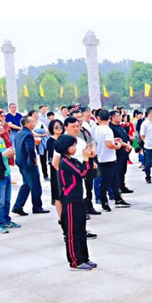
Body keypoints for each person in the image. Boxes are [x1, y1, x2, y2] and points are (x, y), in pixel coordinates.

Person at [56, 134, 96, 271]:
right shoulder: (64, 162)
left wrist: (89, 158)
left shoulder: (73, 160)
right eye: (72, 145)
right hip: (70, 200)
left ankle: (84, 257)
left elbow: (87, 171)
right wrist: (85, 159)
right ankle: (75, 261)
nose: (75, 148)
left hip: (79, 198)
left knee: (81, 230)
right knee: (72, 232)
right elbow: (82, 173)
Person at [94, 110, 130, 212]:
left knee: (114, 180)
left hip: (103, 157)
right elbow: (109, 144)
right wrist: (117, 145)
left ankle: (118, 199)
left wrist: (114, 141)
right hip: (107, 158)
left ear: (99, 118)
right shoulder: (107, 130)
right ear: (109, 118)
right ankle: (104, 202)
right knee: (105, 182)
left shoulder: (97, 129)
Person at [12, 116, 49, 216]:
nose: (34, 123)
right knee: (35, 185)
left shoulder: (19, 133)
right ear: (26, 123)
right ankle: (37, 206)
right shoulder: (28, 134)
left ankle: (18, 206)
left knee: (27, 185)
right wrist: (34, 159)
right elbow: (30, 149)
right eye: (32, 122)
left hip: (21, 162)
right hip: (28, 163)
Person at [0, 119, 20, 233]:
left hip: (6, 172)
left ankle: (6, 219)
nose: (1, 127)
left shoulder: (1, 139)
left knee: (7, 200)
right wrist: (3, 154)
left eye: (2, 125)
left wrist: (9, 154)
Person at [109, 110, 133, 194]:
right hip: (118, 153)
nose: (119, 118)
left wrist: (128, 144)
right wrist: (126, 145)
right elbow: (116, 141)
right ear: (112, 117)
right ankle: (117, 187)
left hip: (124, 152)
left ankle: (122, 186)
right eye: (117, 116)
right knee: (118, 171)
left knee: (123, 170)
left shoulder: (120, 127)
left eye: (119, 116)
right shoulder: (111, 128)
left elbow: (126, 137)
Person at [46, 120, 65, 219]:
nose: (59, 129)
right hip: (56, 168)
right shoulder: (51, 140)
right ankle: (61, 217)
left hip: (66, 168)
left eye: (60, 126)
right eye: (56, 127)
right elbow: (51, 157)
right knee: (58, 192)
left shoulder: (64, 138)